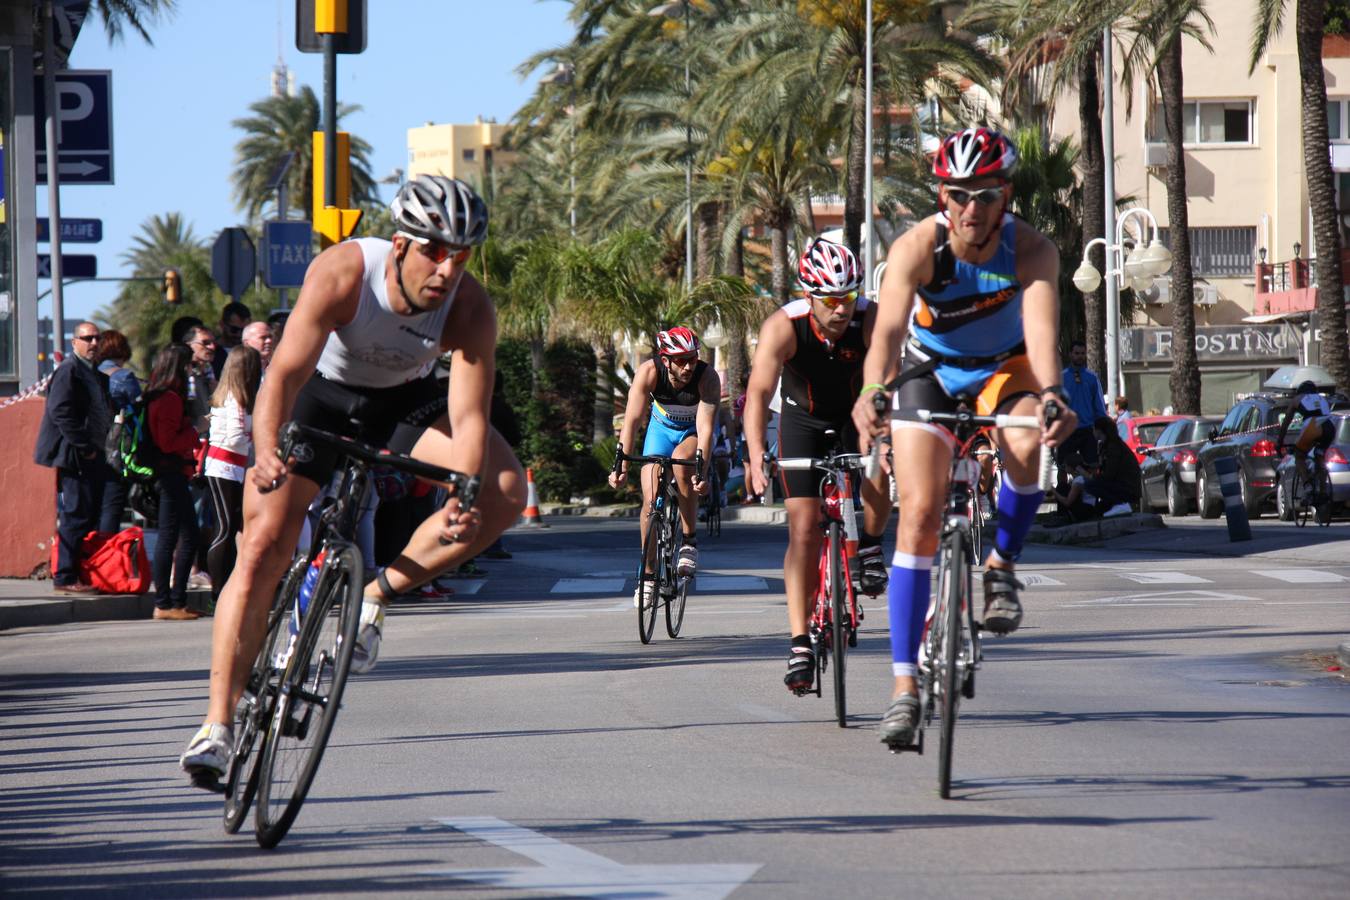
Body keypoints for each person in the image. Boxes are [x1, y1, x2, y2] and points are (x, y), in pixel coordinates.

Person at [179, 174, 525, 784]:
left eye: (460, 256)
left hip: (404, 403)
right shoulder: (344, 272)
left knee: (503, 492)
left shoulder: (469, 307)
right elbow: (282, 375)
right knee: (260, 548)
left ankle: (374, 596)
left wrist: (464, 491)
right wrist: (264, 452)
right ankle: (218, 725)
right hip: (321, 396)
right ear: (399, 245)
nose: (446, 269)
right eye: (434, 251)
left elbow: (470, 416)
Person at [849, 127, 1076, 747]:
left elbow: (1040, 339)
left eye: (988, 196)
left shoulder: (1032, 249)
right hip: (930, 370)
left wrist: (1052, 395)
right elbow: (887, 337)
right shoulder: (916, 248)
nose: (973, 210)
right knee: (918, 514)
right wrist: (873, 392)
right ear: (942, 197)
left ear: (1007, 198)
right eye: (960, 195)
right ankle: (903, 689)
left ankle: (1000, 563)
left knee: (1027, 442)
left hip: (1006, 366)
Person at [743, 237, 891, 696]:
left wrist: (884, 437)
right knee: (803, 528)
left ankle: (868, 544)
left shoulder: (870, 319)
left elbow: (886, 376)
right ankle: (800, 642)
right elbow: (757, 396)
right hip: (801, 420)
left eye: (848, 297)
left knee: (880, 467)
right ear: (808, 296)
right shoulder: (784, 327)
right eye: (830, 300)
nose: (840, 308)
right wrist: (753, 456)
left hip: (856, 411)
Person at [609, 326, 719, 606]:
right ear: (665, 359)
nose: (687, 366)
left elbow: (705, 429)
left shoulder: (707, 378)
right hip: (660, 431)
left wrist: (702, 472)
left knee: (684, 468)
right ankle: (647, 577)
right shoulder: (648, 372)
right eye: (680, 360)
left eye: (692, 359)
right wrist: (620, 462)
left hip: (692, 433)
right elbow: (632, 420)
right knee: (649, 503)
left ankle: (689, 541)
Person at [33, 322, 113, 593]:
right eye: (87, 338)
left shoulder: (94, 373)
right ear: (74, 342)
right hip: (76, 454)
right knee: (75, 514)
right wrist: (84, 445)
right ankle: (65, 576)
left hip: (95, 452)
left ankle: (79, 571)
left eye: (96, 338)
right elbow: (60, 411)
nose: (93, 343)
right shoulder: (69, 370)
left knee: (89, 514)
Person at [144, 344, 204, 620]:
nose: (191, 370)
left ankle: (171, 601)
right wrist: (196, 431)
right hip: (170, 473)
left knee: (175, 536)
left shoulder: (158, 394)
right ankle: (168, 603)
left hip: (168, 473)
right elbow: (167, 442)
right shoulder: (169, 398)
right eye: (189, 365)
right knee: (179, 536)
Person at [204, 346, 263, 603]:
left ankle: (227, 586)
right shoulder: (235, 397)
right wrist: (256, 436)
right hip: (223, 466)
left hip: (234, 467)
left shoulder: (238, 396)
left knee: (232, 527)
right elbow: (237, 437)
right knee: (225, 528)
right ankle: (217, 593)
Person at [1048, 418, 1139, 519]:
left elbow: (1109, 474)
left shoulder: (1113, 447)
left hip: (1127, 487)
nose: (1092, 432)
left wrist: (1091, 476)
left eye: (1094, 429)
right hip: (1121, 485)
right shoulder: (1106, 445)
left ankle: (1120, 504)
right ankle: (1115, 505)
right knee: (1099, 507)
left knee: (1090, 485)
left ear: (1099, 431)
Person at [97, 329, 141, 534]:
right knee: (112, 507)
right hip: (118, 450)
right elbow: (138, 410)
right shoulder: (124, 377)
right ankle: (107, 558)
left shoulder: (89, 374)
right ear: (122, 351)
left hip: (91, 447)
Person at [1060, 340, 1108, 467]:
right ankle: (1064, 487)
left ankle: (1088, 486)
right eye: (1076, 353)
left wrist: (1102, 428)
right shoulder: (1061, 378)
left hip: (1087, 430)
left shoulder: (1092, 378)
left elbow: (1099, 405)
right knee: (1063, 468)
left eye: (1082, 353)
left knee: (1092, 466)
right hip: (1066, 430)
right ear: (1070, 354)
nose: (1080, 356)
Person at [1275, 380, 1335, 477]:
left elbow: (1286, 423)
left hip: (1313, 426)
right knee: (1319, 455)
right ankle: (1324, 490)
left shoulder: (1298, 398)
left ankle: (1307, 485)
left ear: (1300, 391)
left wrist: (1279, 442)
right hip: (1329, 426)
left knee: (1299, 456)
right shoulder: (1323, 399)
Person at [213, 301, 251, 380]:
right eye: (234, 329)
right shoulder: (212, 351)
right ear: (222, 325)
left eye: (244, 330)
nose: (239, 334)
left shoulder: (251, 352)